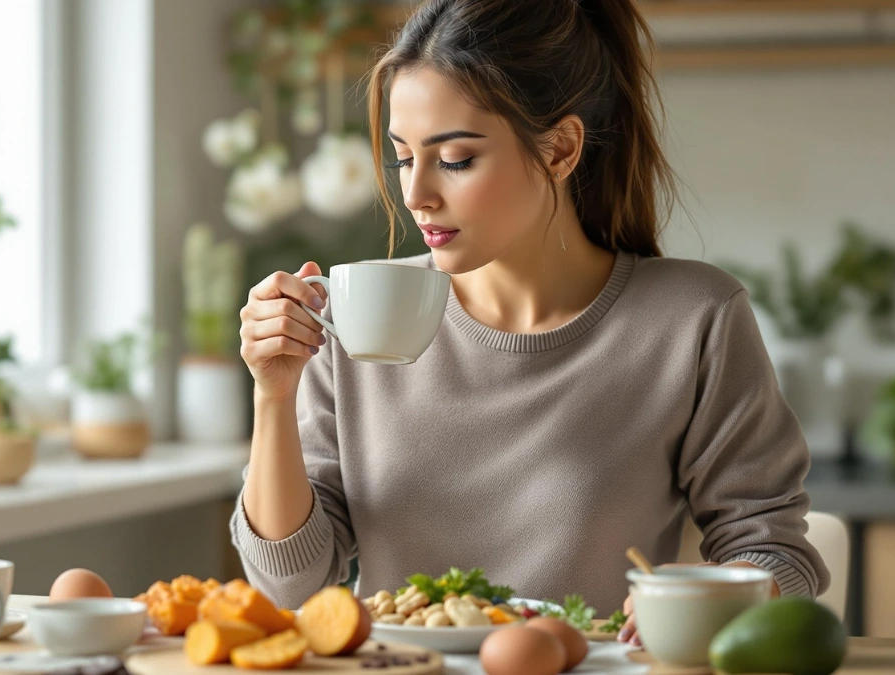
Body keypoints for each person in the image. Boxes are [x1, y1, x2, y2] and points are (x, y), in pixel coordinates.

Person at [231, 0, 828, 646]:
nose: (416, 194)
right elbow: (289, 590)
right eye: (404, 157)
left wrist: (711, 598)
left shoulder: (692, 321)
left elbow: (775, 553)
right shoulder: (354, 313)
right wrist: (273, 392)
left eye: (454, 158)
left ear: (562, 149)